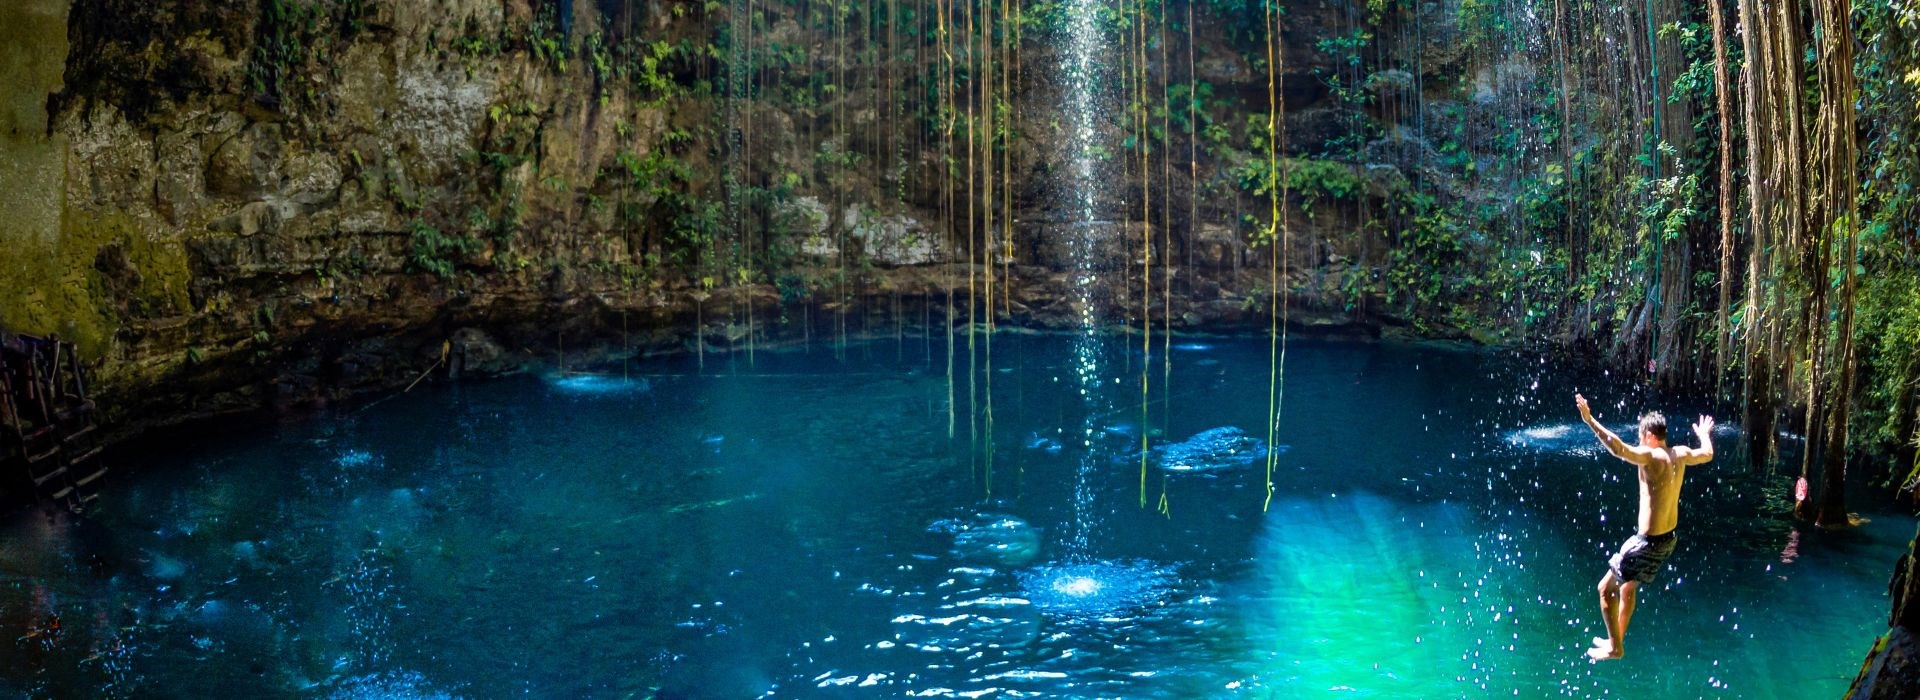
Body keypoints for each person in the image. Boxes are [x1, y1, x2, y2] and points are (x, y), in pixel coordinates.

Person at [1573, 393, 1714, 661]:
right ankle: (1617, 639)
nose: (1639, 441)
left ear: (1650, 434)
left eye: (1640, 435)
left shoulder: (1650, 455)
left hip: (1647, 542)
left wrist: (1590, 421)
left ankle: (1615, 647)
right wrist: (1704, 433)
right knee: (1627, 587)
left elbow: (1617, 448)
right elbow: (1707, 453)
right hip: (1668, 540)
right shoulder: (1680, 454)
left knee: (1605, 589)